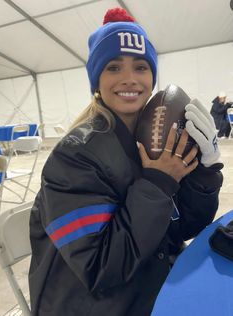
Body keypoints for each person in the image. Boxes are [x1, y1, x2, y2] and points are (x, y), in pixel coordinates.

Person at [29, 7, 224, 316]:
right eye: (114, 68)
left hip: (151, 283)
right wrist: (158, 183)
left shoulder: (150, 139)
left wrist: (206, 171)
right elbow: (100, 268)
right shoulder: (74, 158)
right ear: (96, 79)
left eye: (141, 67)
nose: (130, 79)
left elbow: (182, 228)